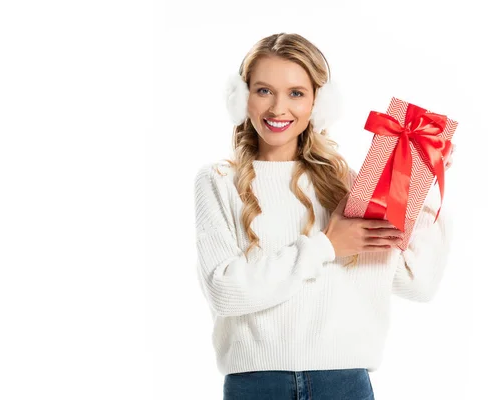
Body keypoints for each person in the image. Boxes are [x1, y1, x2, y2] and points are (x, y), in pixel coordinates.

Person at [193, 32, 454, 400]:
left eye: (296, 93)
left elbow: (417, 283)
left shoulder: (348, 184)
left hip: (343, 382)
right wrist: (326, 246)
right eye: (264, 90)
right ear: (242, 96)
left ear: (318, 101)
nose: (278, 109)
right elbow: (224, 291)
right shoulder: (218, 181)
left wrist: (423, 189)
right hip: (256, 384)